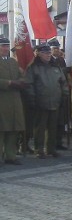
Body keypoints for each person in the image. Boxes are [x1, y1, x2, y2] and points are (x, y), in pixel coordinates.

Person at [25, 44, 69, 158]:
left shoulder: (56, 67)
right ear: (38, 53)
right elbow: (29, 85)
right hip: (40, 102)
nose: (48, 55)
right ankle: (39, 149)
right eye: (45, 53)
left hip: (55, 101)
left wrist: (64, 96)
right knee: (40, 128)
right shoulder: (33, 67)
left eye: (49, 52)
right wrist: (32, 99)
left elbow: (63, 82)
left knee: (53, 127)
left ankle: (51, 148)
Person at [0, 37, 26, 166]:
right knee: (1, 130)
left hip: (15, 100)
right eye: (2, 46)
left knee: (13, 129)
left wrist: (22, 80)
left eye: (6, 46)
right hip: (2, 100)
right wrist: (9, 83)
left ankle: (11, 156)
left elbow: (20, 76)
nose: (5, 49)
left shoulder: (12, 62)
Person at [48, 39, 70, 151]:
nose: (57, 50)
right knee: (53, 121)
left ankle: (59, 142)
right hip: (53, 93)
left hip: (62, 92)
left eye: (57, 48)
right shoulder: (48, 60)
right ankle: (51, 144)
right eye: (54, 48)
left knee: (61, 120)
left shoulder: (61, 60)